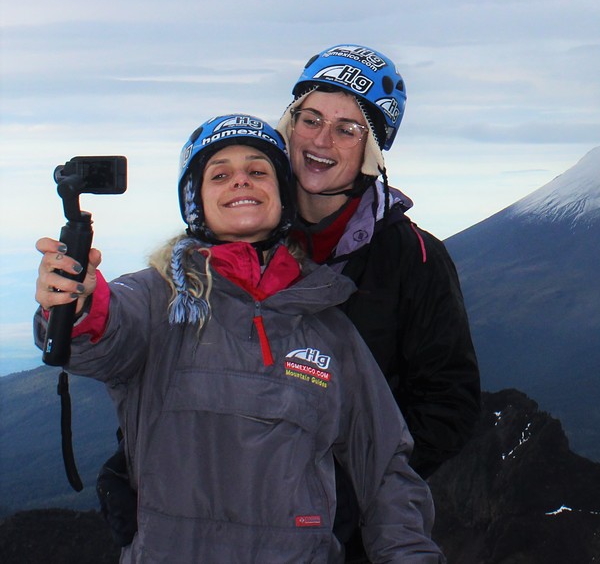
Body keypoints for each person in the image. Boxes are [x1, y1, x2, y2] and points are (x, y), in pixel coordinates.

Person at [34, 114, 444, 563]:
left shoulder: (329, 328)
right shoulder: (157, 300)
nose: (240, 182)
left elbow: (384, 468)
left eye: (258, 170)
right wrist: (78, 306)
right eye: (220, 174)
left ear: (283, 195)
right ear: (196, 201)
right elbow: (107, 334)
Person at [276, 45, 481, 561]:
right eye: (312, 118)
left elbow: (447, 401)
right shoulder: (237, 237)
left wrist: (349, 488)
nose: (321, 141)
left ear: (372, 149)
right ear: (289, 123)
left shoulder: (413, 259)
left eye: (347, 128)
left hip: (350, 538)